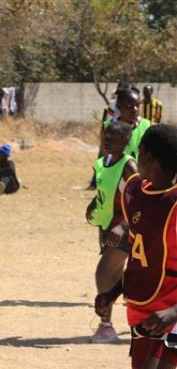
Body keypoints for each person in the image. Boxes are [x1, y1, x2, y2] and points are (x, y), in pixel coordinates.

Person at [96, 125, 177, 369]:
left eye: (140, 153)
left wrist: (173, 311)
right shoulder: (133, 192)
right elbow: (140, 252)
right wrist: (114, 291)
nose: (136, 160)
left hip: (172, 311)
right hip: (144, 309)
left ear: (151, 159)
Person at [86, 122, 138, 343]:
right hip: (107, 227)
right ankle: (136, 325)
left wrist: (122, 226)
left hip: (124, 229)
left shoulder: (129, 166)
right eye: (105, 137)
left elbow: (141, 200)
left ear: (126, 142)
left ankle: (106, 327)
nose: (107, 141)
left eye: (113, 138)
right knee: (117, 277)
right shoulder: (103, 162)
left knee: (103, 273)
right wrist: (92, 206)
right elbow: (104, 192)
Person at [103, 88, 151, 161]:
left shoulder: (147, 126)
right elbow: (104, 154)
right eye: (129, 106)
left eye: (137, 105)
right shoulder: (107, 126)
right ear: (119, 106)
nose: (135, 109)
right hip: (116, 171)